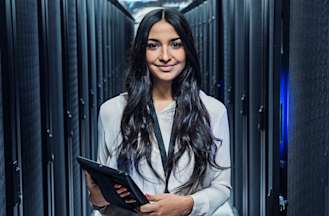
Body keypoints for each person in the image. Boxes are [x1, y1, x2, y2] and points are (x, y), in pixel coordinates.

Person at [85, 8, 233, 216]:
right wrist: (97, 196)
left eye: (175, 44)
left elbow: (222, 186)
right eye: (153, 46)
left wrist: (187, 205)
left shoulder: (213, 111)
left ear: (187, 50)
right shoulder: (112, 111)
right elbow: (102, 199)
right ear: (141, 51)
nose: (165, 56)